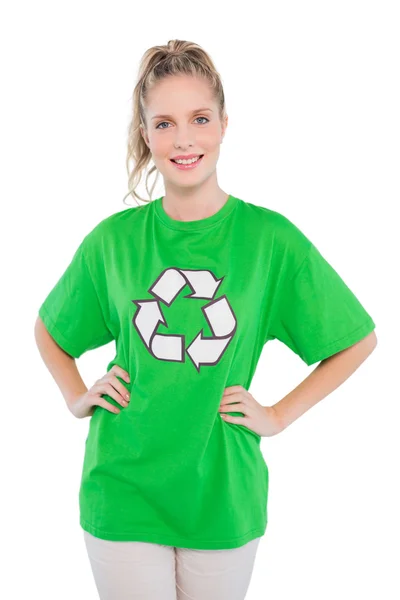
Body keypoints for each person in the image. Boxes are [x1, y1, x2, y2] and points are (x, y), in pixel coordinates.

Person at [34, 39, 377, 600]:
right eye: (164, 123)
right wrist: (76, 397)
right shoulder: (112, 242)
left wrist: (279, 415)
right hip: (123, 489)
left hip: (222, 492)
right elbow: (50, 330)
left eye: (199, 118)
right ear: (146, 134)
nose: (184, 139)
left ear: (223, 124)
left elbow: (356, 339)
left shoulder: (270, 241)